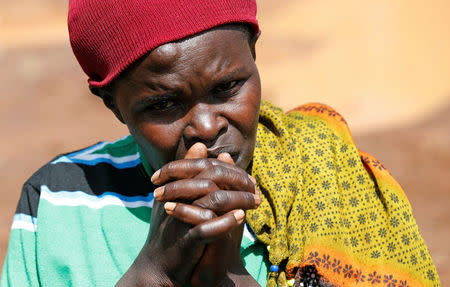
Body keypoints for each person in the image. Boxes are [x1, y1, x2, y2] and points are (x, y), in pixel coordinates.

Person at [1, 0, 440, 286]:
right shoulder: (59, 205)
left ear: (254, 52)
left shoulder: (325, 175)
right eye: (164, 104)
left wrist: (228, 275)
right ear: (114, 105)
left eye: (228, 86)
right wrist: (154, 269)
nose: (207, 127)